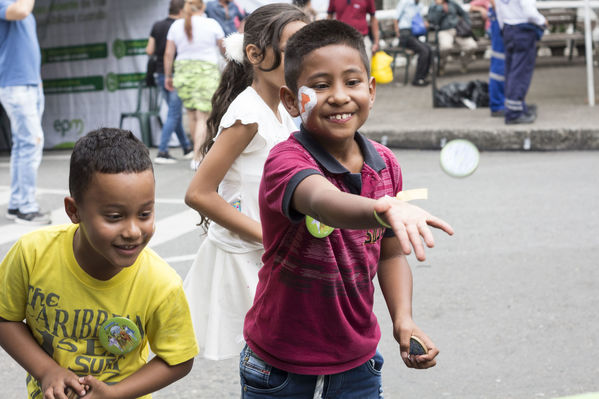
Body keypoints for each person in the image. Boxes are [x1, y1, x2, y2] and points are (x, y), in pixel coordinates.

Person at [240, 20, 454, 397]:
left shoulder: (385, 165)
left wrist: (403, 321)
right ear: (291, 100)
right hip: (279, 367)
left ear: (371, 91)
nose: (339, 96)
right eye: (320, 86)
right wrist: (384, 208)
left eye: (352, 82)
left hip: (358, 364)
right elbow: (323, 203)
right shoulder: (286, 160)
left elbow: (388, 255)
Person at [0, 128, 198, 399]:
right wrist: (46, 370)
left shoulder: (162, 283)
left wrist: (115, 393)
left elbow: (178, 358)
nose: (133, 231)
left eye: (144, 214)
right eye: (115, 216)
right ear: (74, 210)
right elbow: (5, 317)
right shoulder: (32, 253)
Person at [183, 3, 309, 361]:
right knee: (268, 358)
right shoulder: (248, 114)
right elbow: (199, 193)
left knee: (280, 355)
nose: (303, 62)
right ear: (255, 54)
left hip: (272, 252)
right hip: (246, 257)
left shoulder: (283, 107)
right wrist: (268, 237)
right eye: (292, 52)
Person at [0, 0, 50, 225]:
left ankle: (17, 203)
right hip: (16, 85)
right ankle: (26, 207)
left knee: (24, 145)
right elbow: (20, 11)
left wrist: (37, 81)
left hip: (29, 83)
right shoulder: (12, 5)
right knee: (31, 143)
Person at [164, 0, 225, 170]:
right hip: (205, 71)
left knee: (192, 115)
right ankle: (198, 157)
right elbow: (223, 49)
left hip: (183, 71)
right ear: (203, 6)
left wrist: (168, 76)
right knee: (203, 117)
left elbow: (169, 53)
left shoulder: (176, 25)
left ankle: (196, 153)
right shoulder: (211, 24)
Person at [146, 0, 194, 164]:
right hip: (176, 74)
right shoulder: (181, 26)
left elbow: (149, 50)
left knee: (174, 113)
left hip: (160, 74)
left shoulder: (157, 25)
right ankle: (162, 151)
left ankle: (187, 147)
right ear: (181, 10)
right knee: (174, 113)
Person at [494, 0, 545, 124]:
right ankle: (515, 112)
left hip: (508, 29)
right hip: (523, 30)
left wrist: (504, 28)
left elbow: (499, 10)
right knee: (520, 73)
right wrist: (542, 21)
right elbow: (529, 12)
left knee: (511, 71)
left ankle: (515, 107)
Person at [427, 0, 478, 74]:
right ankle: (441, 65)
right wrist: (439, 7)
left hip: (458, 30)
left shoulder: (452, 3)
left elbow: (463, 13)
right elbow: (433, 21)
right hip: (444, 31)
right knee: (446, 47)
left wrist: (468, 24)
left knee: (472, 46)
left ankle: (464, 62)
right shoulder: (433, 6)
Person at [393, 0, 433, 86]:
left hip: (414, 34)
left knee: (429, 48)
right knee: (424, 51)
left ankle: (423, 77)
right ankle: (417, 79)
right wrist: (398, 33)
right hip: (405, 34)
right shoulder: (404, 2)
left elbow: (420, 19)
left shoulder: (419, 5)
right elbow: (396, 18)